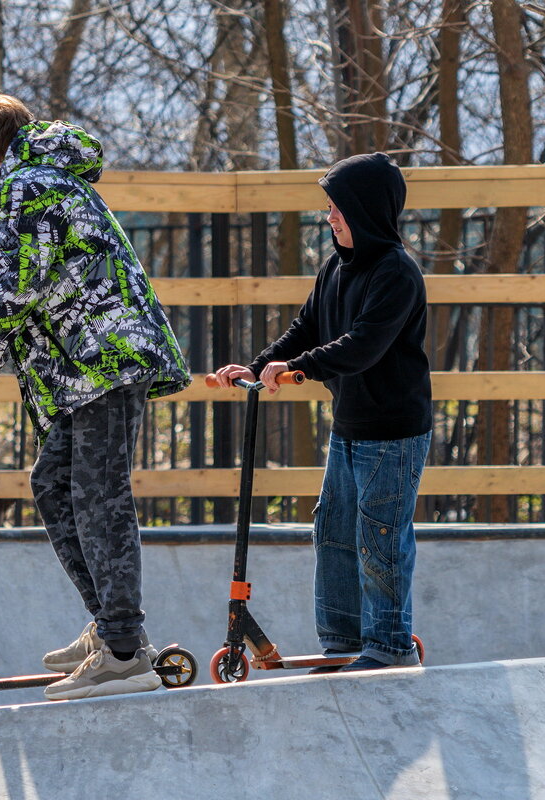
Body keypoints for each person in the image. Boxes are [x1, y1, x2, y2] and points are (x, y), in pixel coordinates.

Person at [0, 94, 191, 700]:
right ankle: (111, 627)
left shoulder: (24, 187)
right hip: (89, 367)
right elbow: (38, 288)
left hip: (100, 362)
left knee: (99, 497)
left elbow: (16, 290)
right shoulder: (49, 180)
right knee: (54, 485)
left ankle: (125, 650)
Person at [213, 152, 432, 672]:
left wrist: (299, 367)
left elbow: (362, 346)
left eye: (337, 208)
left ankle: (389, 647)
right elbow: (306, 329)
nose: (329, 217)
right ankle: (342, 642)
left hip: (393, 433)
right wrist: (256, 367)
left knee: (378, 536)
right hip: (351, 425)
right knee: (333, 530)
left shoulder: (396, 273)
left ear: (365, 211)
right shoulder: (335, 266)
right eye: (328, 207)